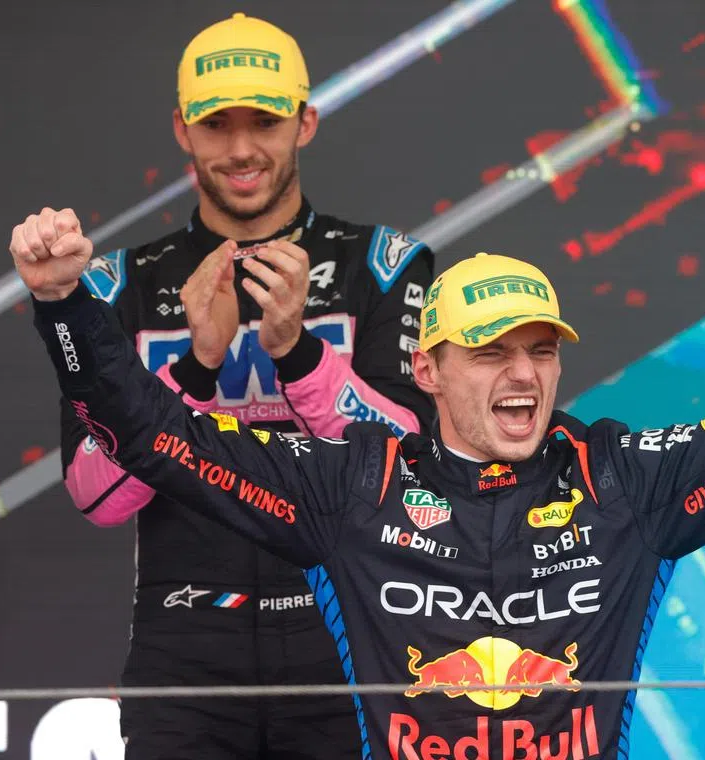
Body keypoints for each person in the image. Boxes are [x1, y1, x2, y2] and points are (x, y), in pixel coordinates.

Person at [11, 188, 705, 759]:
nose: (523, 374)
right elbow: (154, 436)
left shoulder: (625, 477)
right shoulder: (355, 482)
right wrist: (62, 306)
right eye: (491, 352)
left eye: (540, 349)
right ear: (429, 370)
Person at [46, 12, 434, 759]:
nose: (243, 148)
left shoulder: (384, 265)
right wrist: (195, 365)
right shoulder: (115, 284)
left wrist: (298, 358)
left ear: (307, 121)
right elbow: (96, 496)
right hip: (185, 650)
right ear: (182, 131)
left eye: (265, 120)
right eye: (217, 124)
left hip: (350, 634)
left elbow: (414, 470)